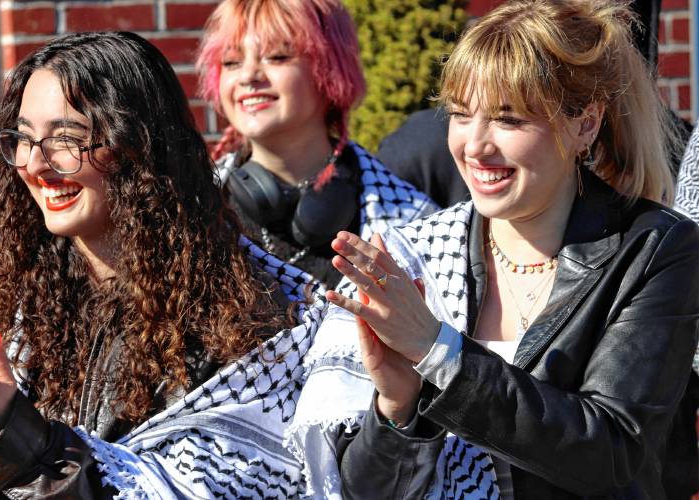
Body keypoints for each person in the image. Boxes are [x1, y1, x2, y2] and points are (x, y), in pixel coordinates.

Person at [0, 32, 328, 499]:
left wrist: (17, 439)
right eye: (23, 138)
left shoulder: (248, 314)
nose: (36, 165)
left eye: (68, 138)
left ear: (140, 145)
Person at [289, 0, 699, 498]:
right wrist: (397, 409)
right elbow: (360, 492)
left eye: (508, 118)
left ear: (584, 125)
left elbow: (611, 451)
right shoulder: (416, 252)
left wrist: (439, 353)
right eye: (462, 115)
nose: (475, 145)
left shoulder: (654, 250)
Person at [196, 0, 436, 289]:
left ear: (330, 70)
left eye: (277, 56)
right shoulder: (193, 214)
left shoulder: (415, 223)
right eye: (231, 62)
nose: (248, 76)